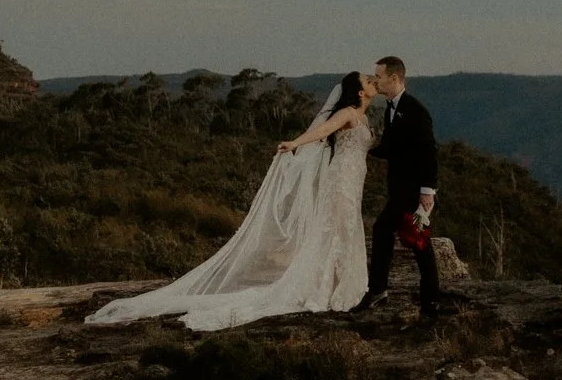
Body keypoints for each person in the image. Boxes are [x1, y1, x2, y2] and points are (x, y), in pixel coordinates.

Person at [84, 70, 374, 331]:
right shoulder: (347, 112)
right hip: (340, 184)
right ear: (359, 92)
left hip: (353, 182)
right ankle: (327, 286)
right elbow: (322, 130)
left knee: (345, 230)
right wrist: (296, 143)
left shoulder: (365, 117)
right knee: (334, 230)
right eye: (368, 81)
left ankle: (339, 283)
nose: (372, 82)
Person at [360, 56, 446, 314]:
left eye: (379, 77)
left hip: (413, 192)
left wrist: (427, 193)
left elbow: (429, 154)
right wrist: (363, 148)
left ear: (394, 78)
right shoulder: (390, 108)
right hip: (399, 190)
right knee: (408, 240)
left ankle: (418, 298)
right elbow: (390, 149)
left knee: (411, 239)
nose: (376, 81)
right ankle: (396, 293)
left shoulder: (416, 111)